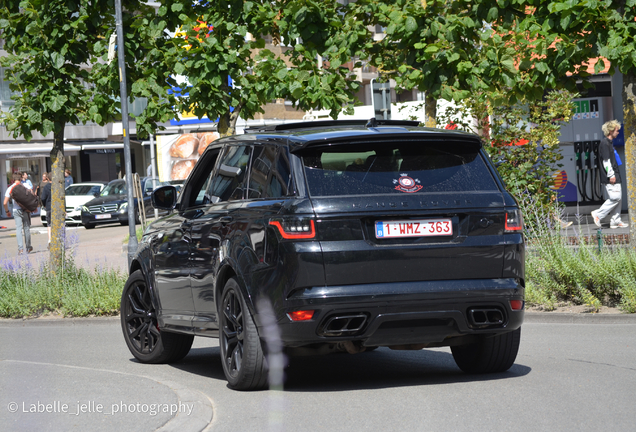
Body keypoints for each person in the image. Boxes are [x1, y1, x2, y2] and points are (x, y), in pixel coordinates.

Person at [591, 120, 628, 229]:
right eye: (617, 130)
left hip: (615, 174)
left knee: (618, 198)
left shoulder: (609, 143)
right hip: (611, 175)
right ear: (611, 131)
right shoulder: (605, 143)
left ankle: (615, 221)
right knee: (615, 197)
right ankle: (598, 214)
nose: (618, 132)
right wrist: (611, 175)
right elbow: (606, 161)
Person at [3, 172, 33, 254]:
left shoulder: (10, 188)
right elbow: (32, 196)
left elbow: (4, 203)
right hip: (26, 210)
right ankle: (28, 247)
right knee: (26, 228)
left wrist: (7, 211)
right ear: (20, 178)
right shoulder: (26, 185)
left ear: (13, 179)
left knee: (19, 229)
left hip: (16, 210)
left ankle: (20, 249)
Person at [40, 172, 53, 246]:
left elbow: (43, 198)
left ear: (48, 178)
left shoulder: (46, 187)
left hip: (49, 207)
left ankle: (50, 240)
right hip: (57, 208)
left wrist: (44, 205)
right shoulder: (58, 186)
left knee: (49, 224)